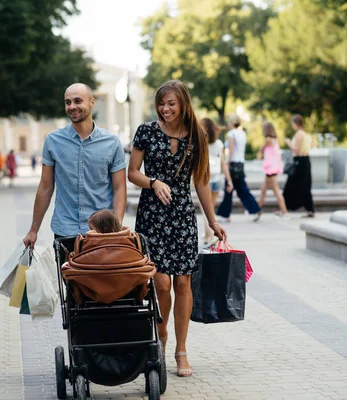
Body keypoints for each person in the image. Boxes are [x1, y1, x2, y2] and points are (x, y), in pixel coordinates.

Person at [127, 80, 227, 378]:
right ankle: (161, 334)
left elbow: (202, 182)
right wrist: (153, 182)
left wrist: (213, 221)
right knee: (160, 284)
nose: (165, 109)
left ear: (183, 104)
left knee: (183, 283)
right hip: (152, 215)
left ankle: (181, 350)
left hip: (182, 216)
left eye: (171, 103)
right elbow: (132, 173)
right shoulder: (146, 131)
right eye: (161, 103)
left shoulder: (197, 136)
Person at [22, 83, 127, 248]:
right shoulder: (53, 141)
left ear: (92, 102)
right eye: (67, 102)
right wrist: (33, 230)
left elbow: (120, 187)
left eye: (78, 101)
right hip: (65, 231)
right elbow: (45, 187)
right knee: (66, 275)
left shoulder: (112, 143)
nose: (72, 107)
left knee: (100, 275)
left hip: (102, 232)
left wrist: (117, 227)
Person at [216, 115, 262, 222]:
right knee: (242, 190)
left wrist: (227, 162)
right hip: (240, 164)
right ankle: (255, 209)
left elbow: (231, 149)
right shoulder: (242, 133)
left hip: (232, 164)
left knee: (229, 188)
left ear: (232, 122)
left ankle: (225, 215)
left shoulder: (231, 133)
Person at [201, 118, 233, 247]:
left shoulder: (201, 143)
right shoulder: (219, 144)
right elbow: (223, 164)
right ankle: (208, 236)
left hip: (205, 180)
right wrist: (229, 180)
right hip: (216, 180)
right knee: (211, 209)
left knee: (205, 211)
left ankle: (210, 238)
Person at [283, 114, 315, 217]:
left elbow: (297, 149)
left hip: (299, 161)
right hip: (305, 160)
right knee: (305, 186)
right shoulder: (307, 134)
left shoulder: (299, 134)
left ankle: (285, 209)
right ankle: (309, 209)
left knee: (290, 186)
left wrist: (288, 142)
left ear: (296, 123)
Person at [257, 122, 288, 218]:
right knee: (263, 190)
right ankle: (257, 210)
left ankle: (285, 212)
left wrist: (259, 153)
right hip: (272, 169)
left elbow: (261, 150)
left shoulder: (268, 140)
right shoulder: (275, 140)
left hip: (271, 170)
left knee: (276, 191)